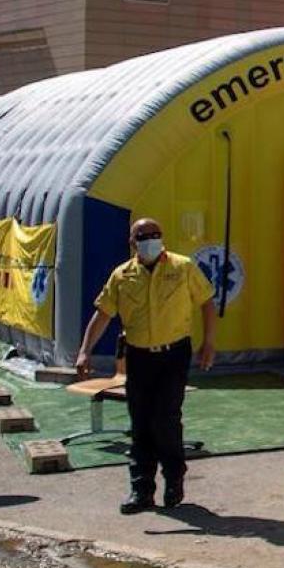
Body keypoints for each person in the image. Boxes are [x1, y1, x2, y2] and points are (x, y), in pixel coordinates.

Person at [75, 218, 217, 515]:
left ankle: (174, 478)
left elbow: (206, 302)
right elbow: (103, 314)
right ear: (132, 243)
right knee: (140, 422)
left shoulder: (182, 267)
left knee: (166, 418)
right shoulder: (123, 276)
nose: (150, 240)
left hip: (173, 354)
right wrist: (85, 350)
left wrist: (208, 343)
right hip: (139, 357)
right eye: (143, 236)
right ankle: (141, 490)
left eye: (155, 235)